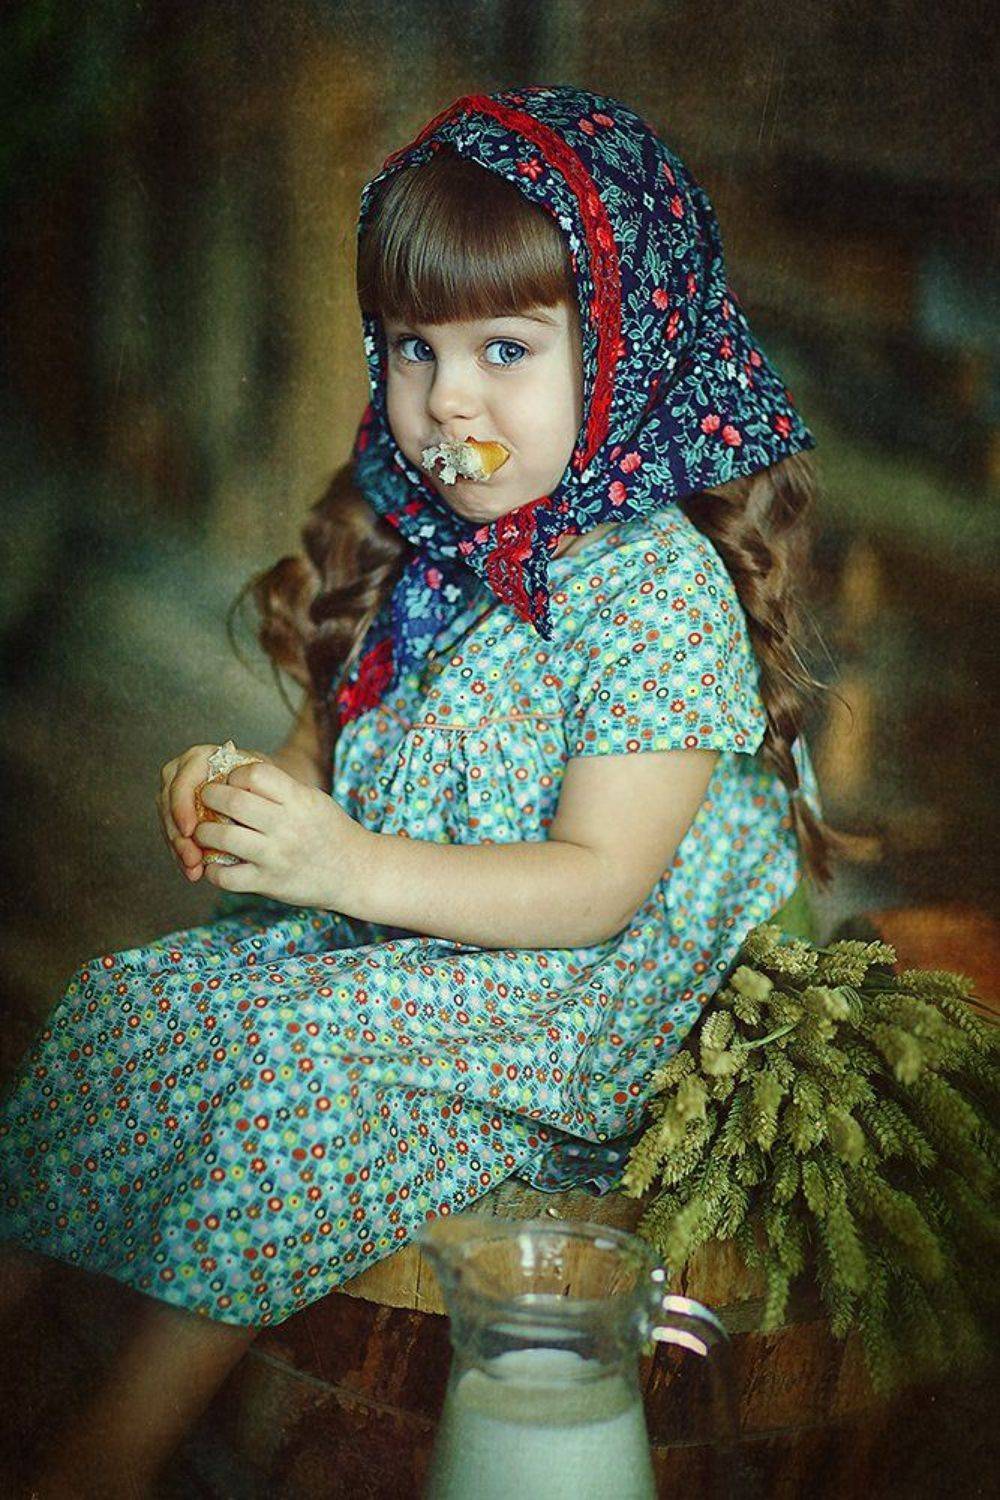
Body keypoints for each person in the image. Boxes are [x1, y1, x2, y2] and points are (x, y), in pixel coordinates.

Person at [0, 85, 863, 1494]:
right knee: (132, 1002)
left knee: (295, 1069)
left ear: (628, 353)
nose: (448, 399)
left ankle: (108, 1454)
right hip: (402, 931)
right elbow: (324, 750)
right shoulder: (419, 537)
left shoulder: (654, 593)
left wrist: (342, 867)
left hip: (568, 997)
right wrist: (246, 795)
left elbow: (597, 887)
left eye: (504, 349)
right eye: (414, 348)